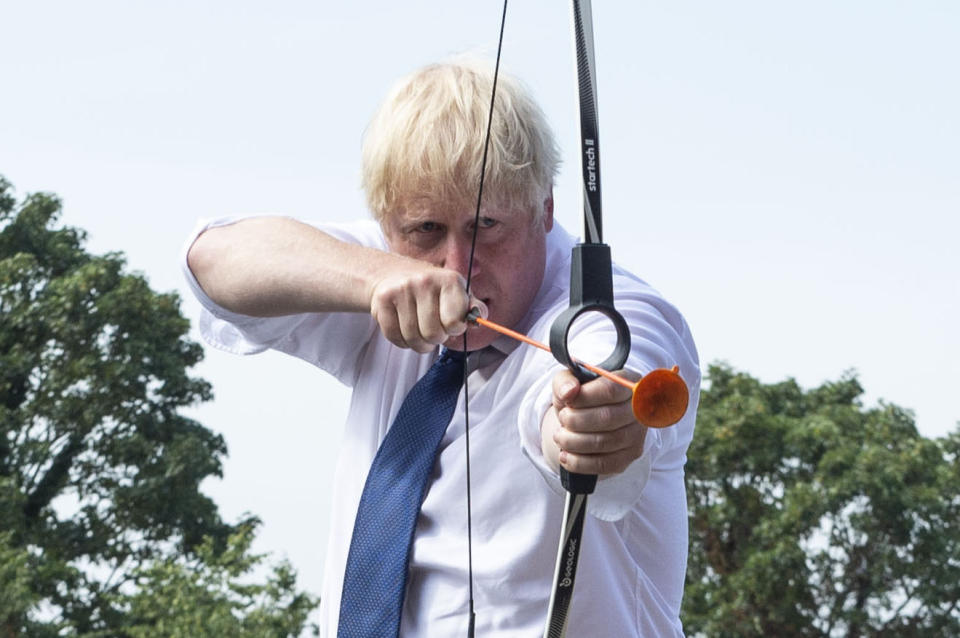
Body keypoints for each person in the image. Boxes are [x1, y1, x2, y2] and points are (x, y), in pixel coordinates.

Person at [182, 58, 700, 637]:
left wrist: (593, 425)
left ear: (545, 208)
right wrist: (375, 278)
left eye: (486, 226)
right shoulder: (388, 271)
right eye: (427, 231)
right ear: (387, 226)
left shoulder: (618, 314)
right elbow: (211, 261)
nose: (458, 267)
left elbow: (609, 370)